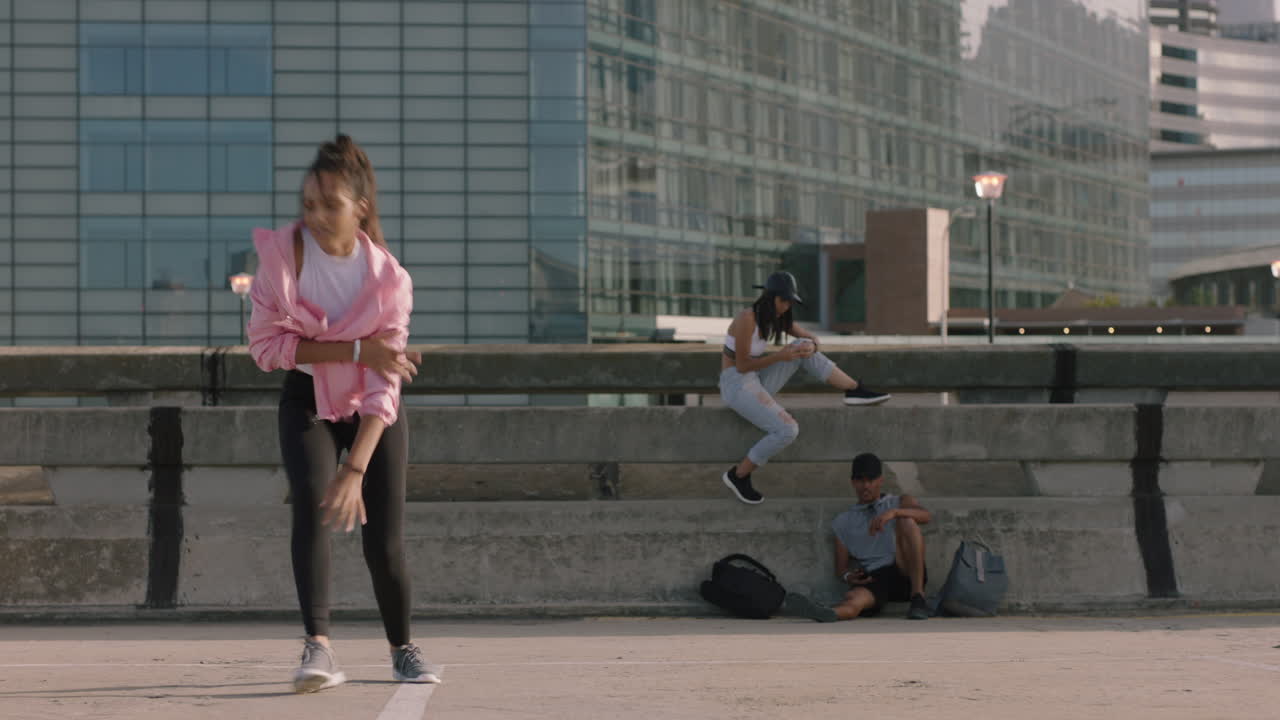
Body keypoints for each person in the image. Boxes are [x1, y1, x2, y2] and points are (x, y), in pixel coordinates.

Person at [248, 134, 438, 692]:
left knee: (384, 539)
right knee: (309, 505)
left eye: (330, 204)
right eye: (309, 204)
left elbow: (386, 383)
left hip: (372, 411)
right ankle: (319, 647)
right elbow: (266, 349)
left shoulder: (389, 280)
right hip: (307, 398)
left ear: (361, 208)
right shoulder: (280, 262)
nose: (316, 215)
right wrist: (357, 349)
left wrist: (355, 467)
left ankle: (403, 648)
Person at [719, 271, 890, 504]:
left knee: (801, 345)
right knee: (787, 429)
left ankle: (853, 389)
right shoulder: (747, 319)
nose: (787, 306)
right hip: (735, 385)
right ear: (771, 297)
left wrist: (812, 346)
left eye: (790, 302)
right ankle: (738, 475)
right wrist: (780, 356)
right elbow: (741, 365)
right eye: (785, 300)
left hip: (754, 380)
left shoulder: (777, 317)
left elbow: (811, 338)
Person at [790, 453, 932, 622]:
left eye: (871, 480)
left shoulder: (899, 502)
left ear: (880, 480)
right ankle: (828, 613)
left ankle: (918, 598)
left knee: (907, 521)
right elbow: (841, 569)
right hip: (875, 577)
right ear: (853, 482)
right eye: (860, 480)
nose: (866, 486)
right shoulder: (843, 522)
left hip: (905, 570)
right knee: (854, 599)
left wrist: (893, 513)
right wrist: (849, 576)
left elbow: (925, 516)